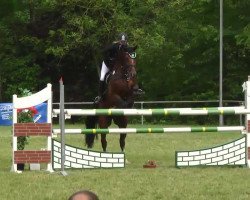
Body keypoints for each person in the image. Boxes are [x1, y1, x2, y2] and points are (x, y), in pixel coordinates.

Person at [94, 32, 143, 103]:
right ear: (119, 41)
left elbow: (130, 52)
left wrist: (133, 48)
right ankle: (100, 96)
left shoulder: (126, 47)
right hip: (108, 63)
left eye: (124, 41)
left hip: (117, 65)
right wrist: (110, 59)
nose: (123, 43)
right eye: (122, 41)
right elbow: (104, 51)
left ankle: (137, 88)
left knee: (132, 71)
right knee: (102, 77)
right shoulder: (114, 46)